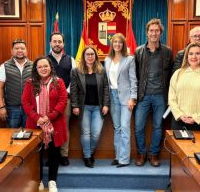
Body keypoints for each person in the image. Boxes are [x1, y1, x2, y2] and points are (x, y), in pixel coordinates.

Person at [22, 56, 68, 192]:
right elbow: (25, 102)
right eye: (40, 66)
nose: (43, 69)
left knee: (54, 153)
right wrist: (38, 118)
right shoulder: (30, 83)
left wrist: (49, 117)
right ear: (36, 69)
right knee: (37, 155)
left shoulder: (58, 82)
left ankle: (52, 181)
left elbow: (63, 100)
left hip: (55, 124)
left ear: (50, 67)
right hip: (35, 125)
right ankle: (39, 180)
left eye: (46, 66)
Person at [134, 18, 173, 167]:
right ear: (147, 33)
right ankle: (141, 153)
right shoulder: (139, 51)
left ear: (160, 33)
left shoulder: (167, 51)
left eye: (157, 30)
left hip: (160, 96)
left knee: (158, 126)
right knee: (138, 126)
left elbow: (171, 75)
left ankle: (154, 154)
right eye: (151, 30)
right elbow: (135, 74)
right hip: (143, 95)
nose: (154, 33)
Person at [70, 46, 109, 168]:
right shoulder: (76, 71)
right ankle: (87, 156)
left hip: (98, 107)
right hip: (84, 107)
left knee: (96, 133)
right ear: (83, 56)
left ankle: (89, 152)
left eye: (92, 54)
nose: (90, 56)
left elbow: (106, 89)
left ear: (95, 56)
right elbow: (73, 90)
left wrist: (106, 104)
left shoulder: (101, 70)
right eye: (87, 54)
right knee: (85, 133)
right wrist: (75, 105)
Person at [168, 42, 200, 131]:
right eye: (191, 53)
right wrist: (180, 115)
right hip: (179, 121)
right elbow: (171, 98)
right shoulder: (178, 73)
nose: (194, 57)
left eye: (197, 53)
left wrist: (197, 117)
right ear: (187, 56)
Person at [104, 33, 137, 167]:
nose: (117, 44)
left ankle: (124, 159)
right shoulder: (107, 60)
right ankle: (118, 156)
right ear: (112, 44)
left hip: (126, 98)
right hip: (112, 96)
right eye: (115, 42)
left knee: (124, 127)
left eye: (120, 42)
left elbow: (133, 79)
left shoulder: (129, 59)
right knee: (117, 127)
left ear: (123, 45)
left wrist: (133, 98)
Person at [47, 33, 77, 166]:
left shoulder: (70, 59)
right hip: (48, 100)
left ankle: (64, 155)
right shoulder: (44, 60)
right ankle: (51, 155)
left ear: (63, 44)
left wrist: (65, 92)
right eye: (55, 41)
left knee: (64, 127)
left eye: (60, 41)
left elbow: (74, 79)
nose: (57, 44)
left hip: (66, 99)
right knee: (49, 127)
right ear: (50, 43)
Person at [0, 39, 33, 129]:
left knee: (30, 135)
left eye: (22, 48)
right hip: (12, 109)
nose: (20, 50)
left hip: (30, 108)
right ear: (12, 51)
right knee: (11, 136)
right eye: (16, 48)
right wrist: (1, 107)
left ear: (26, 50)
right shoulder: (4, 66)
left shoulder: (34, 66)